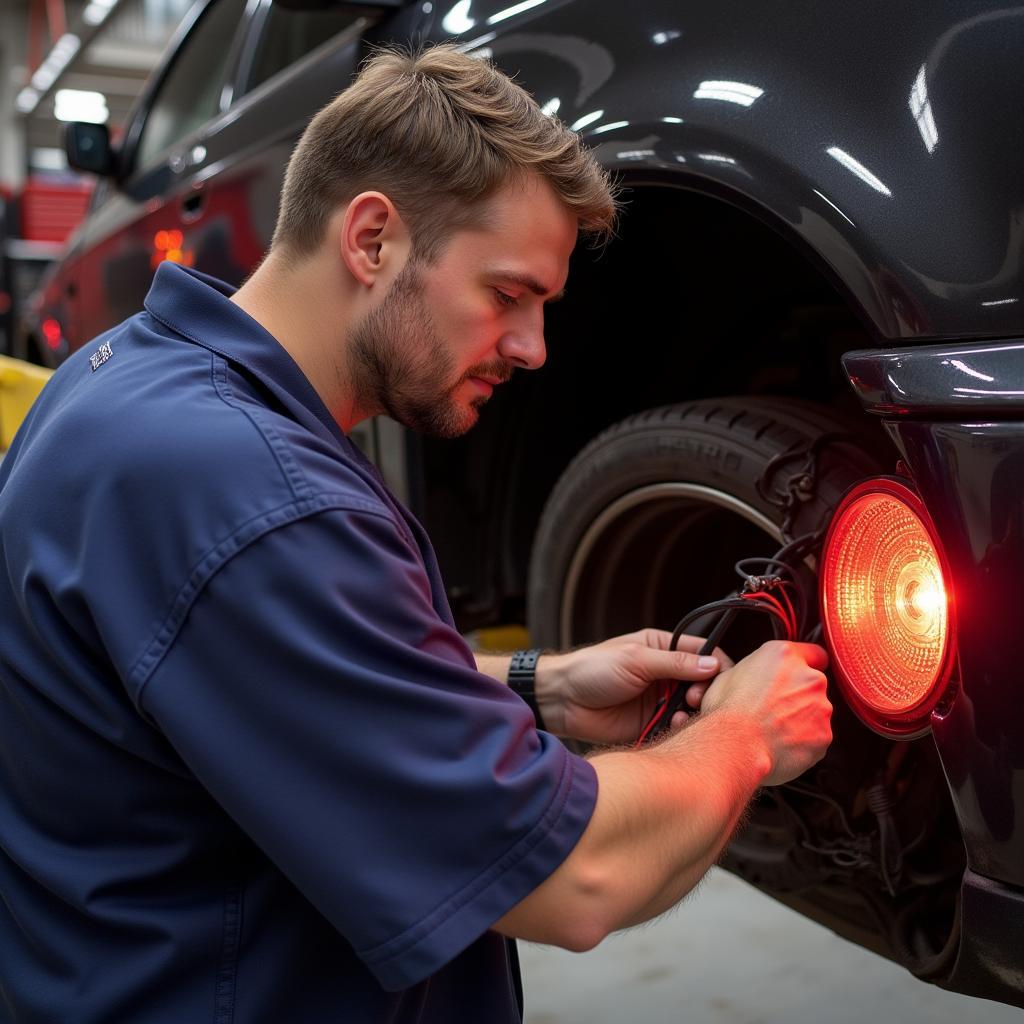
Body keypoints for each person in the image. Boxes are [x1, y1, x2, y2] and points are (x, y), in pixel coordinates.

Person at [0, 45, 831, 1023]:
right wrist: (743, 732)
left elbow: (256, 680)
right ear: (372, 240)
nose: (532, 349)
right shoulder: (255, 500)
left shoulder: (125, 379)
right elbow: (576, 879)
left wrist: (541, 687)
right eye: (507, 294)